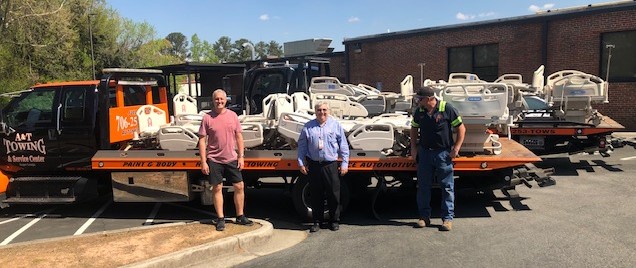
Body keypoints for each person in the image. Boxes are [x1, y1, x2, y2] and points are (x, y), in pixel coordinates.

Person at [409, 86, 466, 231]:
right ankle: (424, 217)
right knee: (423, 187)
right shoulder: (419, 112)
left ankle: (447, 219)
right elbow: (414, 128)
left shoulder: (446, 108)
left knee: (447, 187)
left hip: (443, 154)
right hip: (425, 153)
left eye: (419, 99)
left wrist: (456, 149)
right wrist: (414, 148)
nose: (418, 101)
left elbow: (461, 128)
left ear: (428, 99)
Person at [198, 89, 253, 231]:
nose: (219, 101)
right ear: (213, 100)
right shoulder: (207, 118)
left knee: (239, 186)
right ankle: (220, 218)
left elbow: (239, 137)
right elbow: (202, 141)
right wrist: (203, 161)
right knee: (217, 188)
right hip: (214, 159)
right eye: (216, 99)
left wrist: (241, 156)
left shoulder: (233, 116)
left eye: (221, 99)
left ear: (226, 100)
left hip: (231, 158)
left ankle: (240, 216)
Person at [297, 102, 350, 233]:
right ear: (315, 111)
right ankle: (316, 221)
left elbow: (343, 145)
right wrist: (301, 162)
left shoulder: (335, 125)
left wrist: (344, 163)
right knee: (316, 195)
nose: (322, 112)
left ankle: (334, 221)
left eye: (324, 110)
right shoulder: (308, 127)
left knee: (333, 194)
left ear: (329, 111)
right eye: (319, 110)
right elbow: (302, 146)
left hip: (330, 165)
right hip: (314, 165)